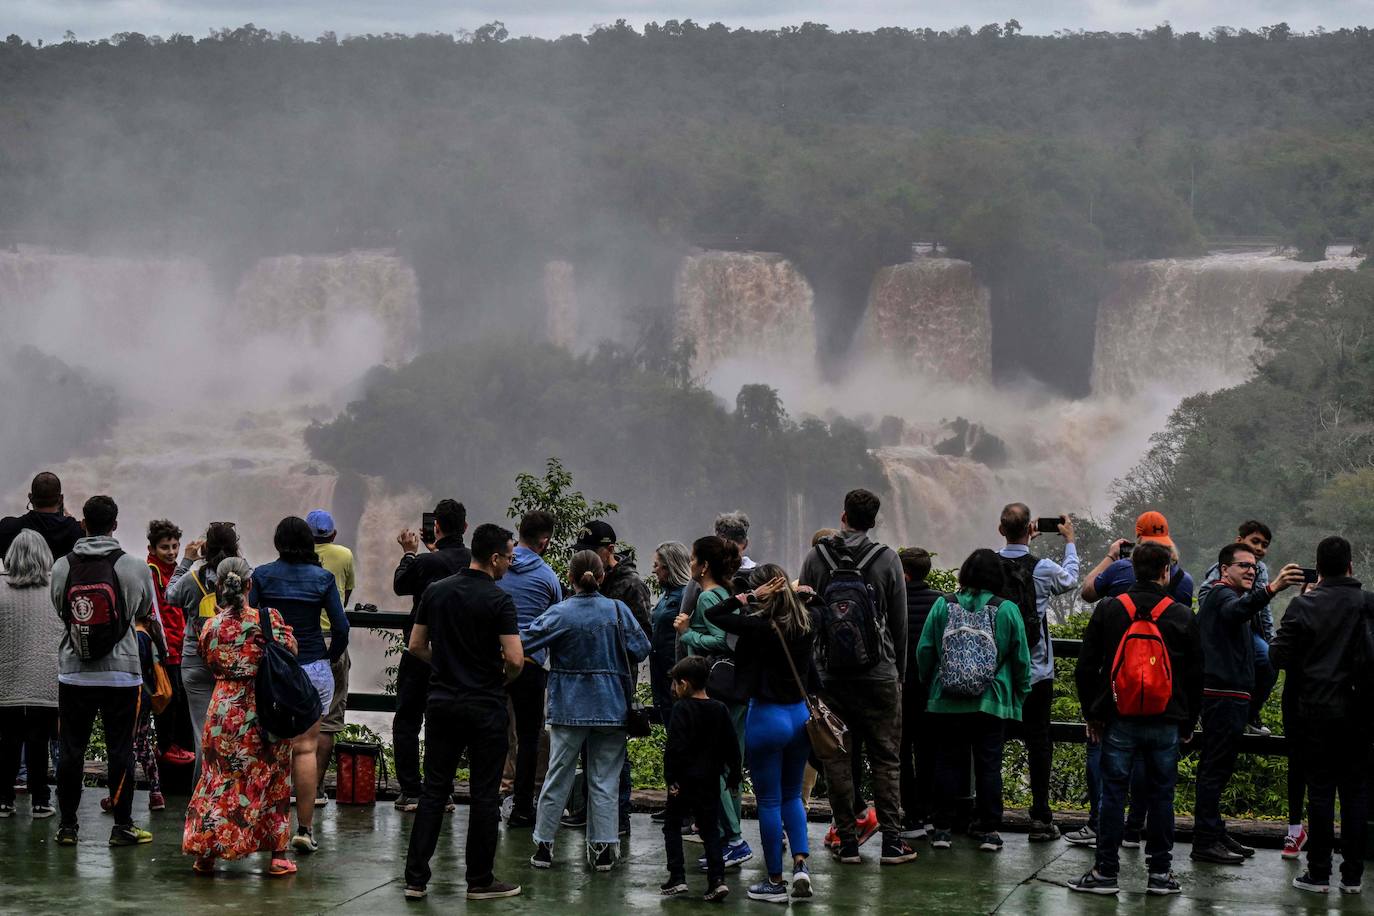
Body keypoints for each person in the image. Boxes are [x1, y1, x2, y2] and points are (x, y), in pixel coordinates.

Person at [1067, 542, 1203, 896]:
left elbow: (1086, 668)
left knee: (1112, 794)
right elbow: (1194, 675)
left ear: (1132, 570)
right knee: (1162, 796)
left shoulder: (1110, 609)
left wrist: (1092, 714)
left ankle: (1105, 873)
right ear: (1166, 573)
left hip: (1118, 717)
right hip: (1166, 719)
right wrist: (1188, 722)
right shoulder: (1182, 615)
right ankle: (1160, 874)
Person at [402, 524, 524, 901]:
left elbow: (416, 644)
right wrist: (498, 677)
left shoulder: (436, 592)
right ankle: (479, 880)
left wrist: (447, 666)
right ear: (494, 558)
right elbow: (516, 660)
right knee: (484, 794)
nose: (510, 564)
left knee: (434, 791)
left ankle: (416, 879)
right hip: (485, 705)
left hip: (442, 704)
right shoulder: (499, 601)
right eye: (508, 557)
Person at [798, 488, 912, 866]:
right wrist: (899, 675)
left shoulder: (817, 557)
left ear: (843, 515)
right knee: (886, 758)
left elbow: (805, 615)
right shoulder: (888, 560)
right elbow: (899, 623)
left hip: (830, 676)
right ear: (873, 521)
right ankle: (893, 842)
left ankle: (847, 842)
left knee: (837, 758)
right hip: (879, 674)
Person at [524, 549, 651, 874]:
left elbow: (525, 640)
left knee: (558, 776)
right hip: (612, 707)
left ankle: (544, 846)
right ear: (603, 576)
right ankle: (604, 849)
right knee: (605, 780)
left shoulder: (560, 613)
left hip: (569, 707)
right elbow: (641, 648)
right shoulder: (618, 611)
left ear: (569, 578)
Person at [704, 567, 821, 903]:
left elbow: (715, 613)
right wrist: (806, 592)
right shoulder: (807, 622)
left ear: (764, 592)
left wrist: (750, 598)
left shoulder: (756, 626)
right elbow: (823, 607)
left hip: (766, 717)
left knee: (769, 802)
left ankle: (774, 882)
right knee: (792, 797)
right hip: (800, 717)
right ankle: (801, 865)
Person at [49, 495, 158, 847]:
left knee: (71, 749)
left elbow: (59, 609)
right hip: (122, 672)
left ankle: (68, 827)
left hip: (74, 672)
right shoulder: (135, 566)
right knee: (120, 749)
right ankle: (123, 826)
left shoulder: (63, 566)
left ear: (83, 522)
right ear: (114, 524)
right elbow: (143, 610)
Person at [182, 558, 297, 877]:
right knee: (273, 779)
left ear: (220, 587)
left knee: (216, 779)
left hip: (222, 711)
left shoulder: (210, 626)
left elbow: (207, 661)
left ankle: (205, 855)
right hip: (263, 710)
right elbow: (290, 650)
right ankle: (278, 857)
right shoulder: (268, 618)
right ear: (249, 585)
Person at [1269, 536, 1369, 895]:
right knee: (1356, 794)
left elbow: (1277, 656)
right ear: (1351, 566)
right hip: (1360, 713)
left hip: (1315, 712)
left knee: (1321, 792)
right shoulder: (1367, 604)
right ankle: (1354, 877)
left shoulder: (1303, 606)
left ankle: (1319, 874)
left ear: (1318, 568)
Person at [1191, 542, 1302, 865]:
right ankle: (1205, 841)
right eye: (1243, 565)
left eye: (1254, 567)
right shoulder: (1221, 595)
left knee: (1220, 768)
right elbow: (1235, 612)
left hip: (1232, 696)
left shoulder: (1232, 597)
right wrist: (1273, 588)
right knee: (1214, 769)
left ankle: (1214, 830)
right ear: (1225, 569)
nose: (1250, 571)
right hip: (1222, 696)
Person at [916, 548, 1032, 853]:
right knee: (989, 765)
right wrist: (1020, 692)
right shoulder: (1006, 609)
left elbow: (925, 650)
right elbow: (1021, 659)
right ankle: (989, 830)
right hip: (990, 702)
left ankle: (942, 828)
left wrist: (930, 683)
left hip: (946, 699)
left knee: (947, 762)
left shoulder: (944, 605)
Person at [249, 516, 350, 855]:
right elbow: (341, 627)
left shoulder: (262, 575)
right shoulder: (322, 578)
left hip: (274, 671)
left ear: (278, 542)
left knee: (269, 747)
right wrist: (327, 656)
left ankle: (264, 827)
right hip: (313, 669)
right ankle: (304, 830)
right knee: (305, 749)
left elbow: (250, 621)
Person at [997, 504, 1079, 842]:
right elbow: (1071, 579)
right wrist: (1070, 541)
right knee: (1039, 743)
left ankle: (987, 817)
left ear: (1001, 529)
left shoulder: (990, 564)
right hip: (1037, 671)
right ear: (1030, 528)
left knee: (992, 743)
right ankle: (1041, 818)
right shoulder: (1043, 568)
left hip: (997, 673)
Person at [674, 535, 753, 868]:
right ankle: (726, 835)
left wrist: (687, 632)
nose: (690, 564)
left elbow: (719, 640)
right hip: (736, 688)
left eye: (692, 559)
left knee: (712, 766)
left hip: (716, 688)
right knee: (730, 765)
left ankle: (733, 839)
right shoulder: (726, 593)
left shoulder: (707, 597)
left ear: (704, 565)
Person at [572, 520, 651, 836]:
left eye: (591, 552)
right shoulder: (592, 581)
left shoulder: (630, 585)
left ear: (609, 550)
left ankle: (619, 816)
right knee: (587, 745)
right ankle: (589, 808)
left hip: (617, 678)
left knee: (614, 748)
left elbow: (643, 637)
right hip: (587, 677)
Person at [391, 499, 470, 811]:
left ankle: (410, 790)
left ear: (436, 527)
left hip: (420, 647)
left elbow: (400, 586)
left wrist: (410, 554)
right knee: (448, 720)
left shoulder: (425, 562)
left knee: (408, 717)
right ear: (465, 527)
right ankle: (442, 790)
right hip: (458, 652)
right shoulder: (472, 560)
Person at [498, 510, 562, 827]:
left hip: (494, 660)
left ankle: (494, 795)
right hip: (532, 664)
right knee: (529, 736)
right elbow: (556, 620)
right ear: (545, 541)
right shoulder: (548, 577)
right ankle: (523, 804)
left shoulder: (500, 569)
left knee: (494, 730)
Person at [165, 521, 243, 782]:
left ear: (205, 549)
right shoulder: (244, 580)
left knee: (203, 734)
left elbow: (170, 596)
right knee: (232, 732)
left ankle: (203, 797)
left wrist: (186, 561)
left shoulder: (192, 579)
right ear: (235, 549)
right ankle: (229, 793)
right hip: (233, 664)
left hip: (196, 663)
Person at [659, 656, 740, 904]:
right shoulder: (720, 709)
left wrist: (671, 778)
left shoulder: (681, 709)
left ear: (684, 684)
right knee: (710, 831)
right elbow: (732, 746)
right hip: (710, 781)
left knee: (671, 825)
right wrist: (734, 776)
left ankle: (677, 876)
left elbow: (674, 748)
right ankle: (717, 880)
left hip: (683, 781)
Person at [0, 530, 63, 819]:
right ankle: (40, 800)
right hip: (46, 676)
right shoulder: (55, 588)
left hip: (6, 677)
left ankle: (4, 799)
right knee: (39, 740)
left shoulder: (0, 588)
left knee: (8, 739)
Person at [1201, 522, 1276, 736]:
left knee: (1268, 659)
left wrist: (1270, 640)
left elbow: (1264, 610)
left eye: (1264, 544)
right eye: (1255, 541)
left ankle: (1251, 712)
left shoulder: (1260, 569)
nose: (1260, 547)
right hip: (1226, 628)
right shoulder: (1223, 568)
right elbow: (1209, 597)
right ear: (1239, 540)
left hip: (1247, 629)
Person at [307, 508, 355, 803]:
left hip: (301, 642)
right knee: (329, 718)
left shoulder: (293, 559)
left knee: (297, 715)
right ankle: (316, 788)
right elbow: (345, 597)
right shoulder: (344, 555)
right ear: (333, 535)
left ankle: (290, 785)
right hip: (331, 641)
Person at [897, 546, 944, 840]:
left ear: (903, 573)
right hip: (931, 690)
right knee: (928, 752)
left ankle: (910, 815)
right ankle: (929, 813)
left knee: (901, 753)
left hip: (899, 688)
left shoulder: (891, 601)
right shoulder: (940, 601)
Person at [145, 519, 194, 765]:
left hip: (180, 645)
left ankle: (179, 747)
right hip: (167, 647)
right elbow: (156, 608)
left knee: (181, 700)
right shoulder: (151, 571)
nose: (172, 552)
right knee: (169, 699)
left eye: (175, 546)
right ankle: (166, 747)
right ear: (152, 549)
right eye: (165, 547)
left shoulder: (175, 570)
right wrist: (162, 646)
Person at [649, 542, 692, 726]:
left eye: (657, 566)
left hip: (675, 674)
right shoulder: (665, 596)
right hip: (661, 674)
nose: (654, 571)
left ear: (669, 567)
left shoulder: (685, 595)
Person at [0, 471, 83, 560]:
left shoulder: (7, 528)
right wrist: (70, 523)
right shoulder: (77, 531)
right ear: (61, 499)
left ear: (30, 497)